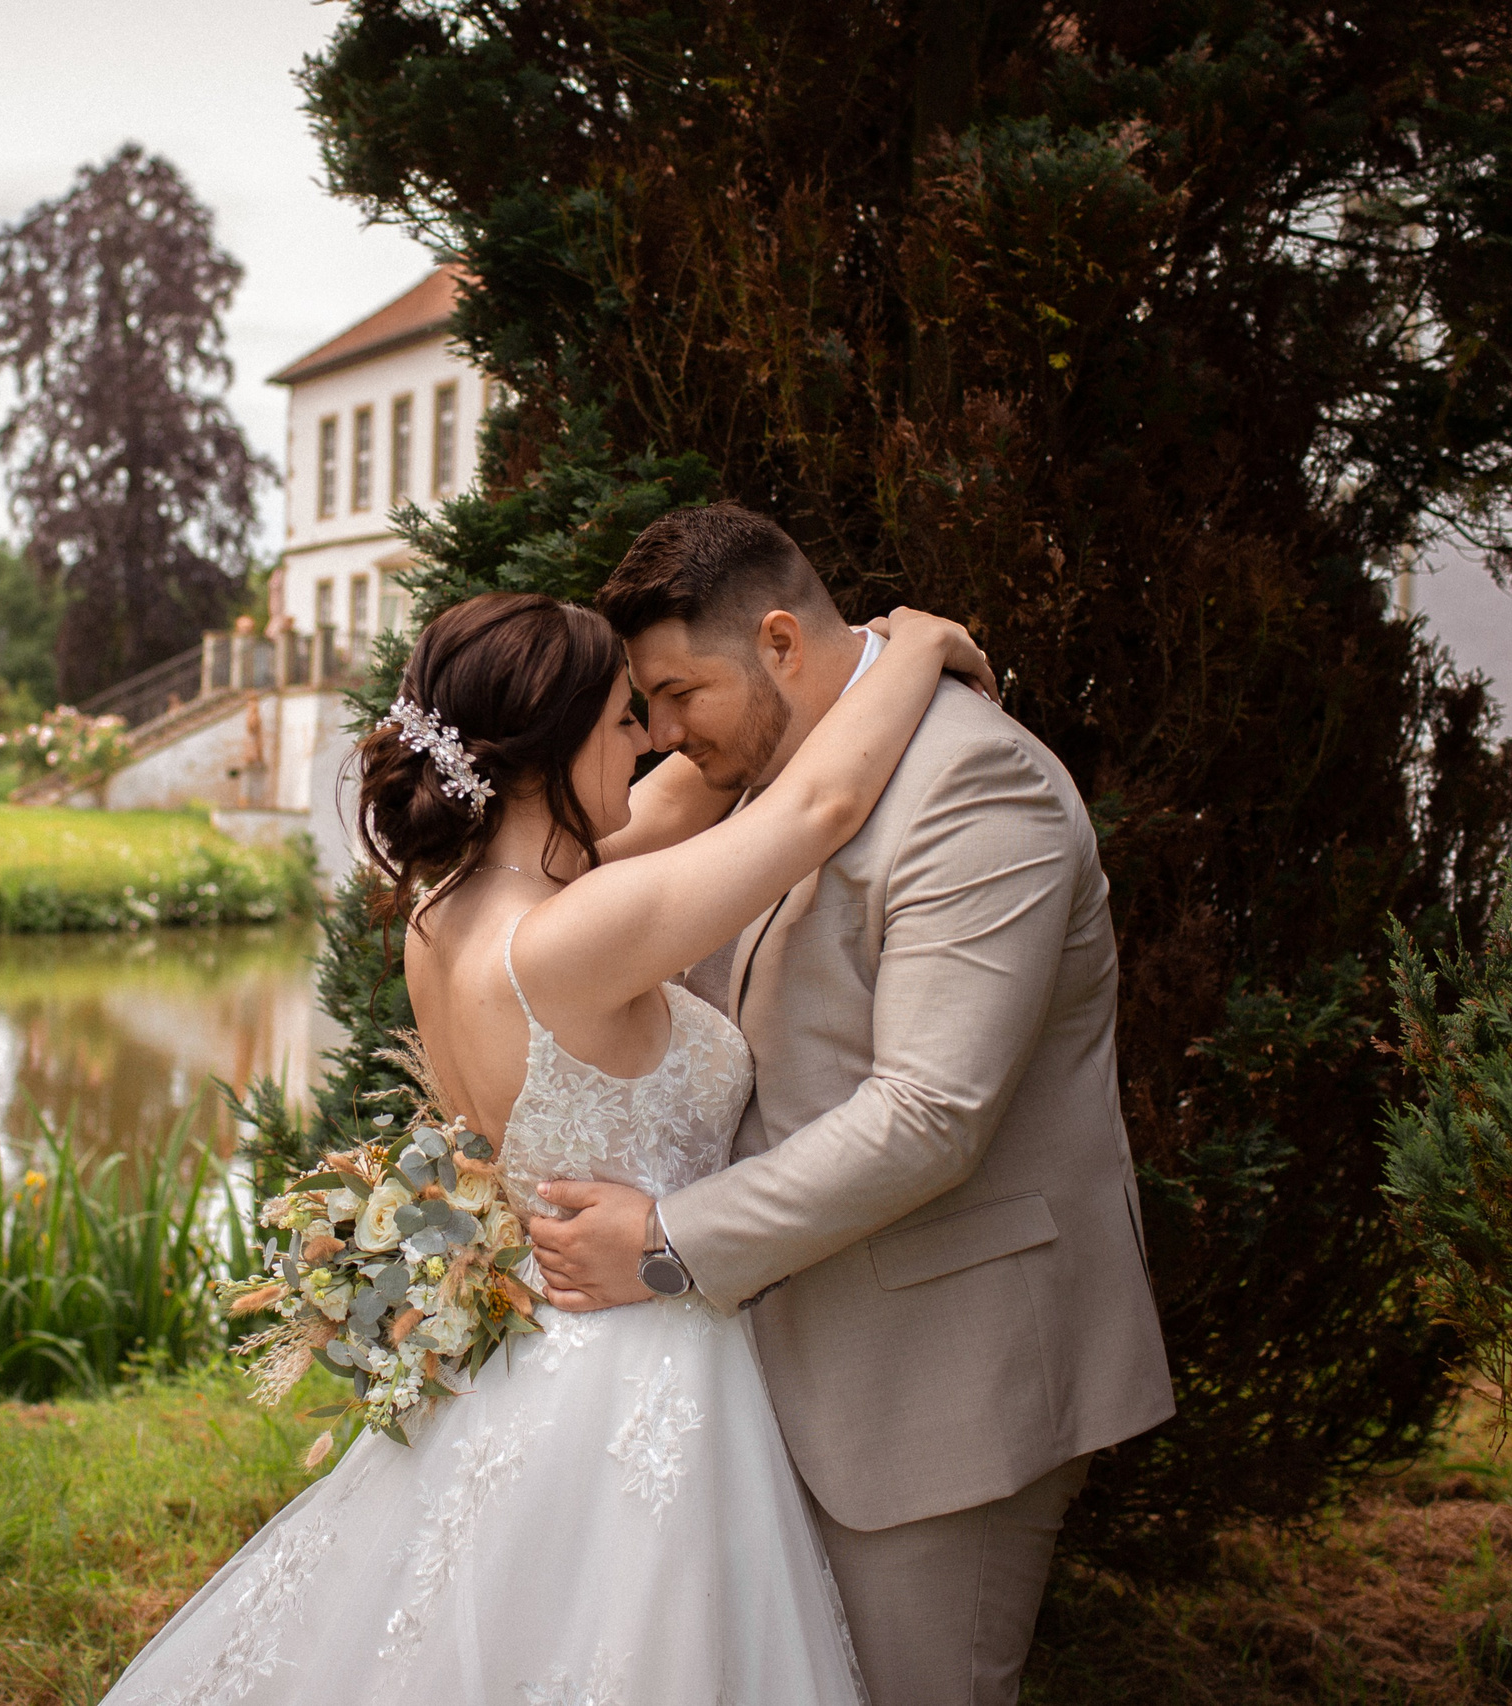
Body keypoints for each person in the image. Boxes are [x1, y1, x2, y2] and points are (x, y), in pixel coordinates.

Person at [101, 589, 992, 1706]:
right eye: (624, 716)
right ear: (549, 748)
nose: (652, 737)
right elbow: (818, 806)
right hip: (640, 1357)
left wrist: (782, 683)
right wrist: (913, 648)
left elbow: (684, 793)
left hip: (532, 1349)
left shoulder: (449, 907)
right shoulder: (573, 932)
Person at [529, 503, 1176, 1706]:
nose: (660, 734)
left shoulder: (977, 785)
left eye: (677, 694)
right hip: (761, 1372)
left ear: (779, 642)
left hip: (937, 1385)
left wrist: (666, 1248)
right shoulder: (759, 773)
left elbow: (931, 1113)